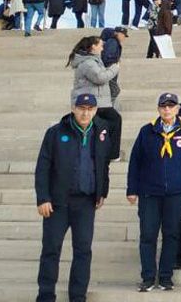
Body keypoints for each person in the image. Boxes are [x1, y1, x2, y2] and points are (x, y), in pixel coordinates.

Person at [34, 93, 111, 302]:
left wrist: (102, 191)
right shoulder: (55, 133)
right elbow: (43, 167)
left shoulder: (101, 132)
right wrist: (43, 198)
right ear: (73, 109)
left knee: (83, 251)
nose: (85, 113)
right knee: (51, 249)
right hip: (57, 203)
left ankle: (77, 296)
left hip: (85, 202)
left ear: (95, 111)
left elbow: (103, 164)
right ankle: (45, 295)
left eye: (90, 109)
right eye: (81, 109)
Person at [126, 92, 181, 292]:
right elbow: (135, 162)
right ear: (158, 109)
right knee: (148, 235)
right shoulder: (147, 131)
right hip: (150, 192)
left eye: (171, 106)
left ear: (178, 108)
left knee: (172, 234)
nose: (167, 110)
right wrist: (132, 189)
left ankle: (166, 277)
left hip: (176, 192)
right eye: (163, 106)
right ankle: (148, 277)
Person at [68, 36, 121, 161]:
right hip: (93, 102)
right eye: (100, 45)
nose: (102, 48)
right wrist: (115, 68)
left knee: (104, 124)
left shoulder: (93, 61)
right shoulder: (88, 63)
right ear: (93, 47)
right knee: (114, 119)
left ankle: (103, 151)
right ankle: (112, 154)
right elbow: (100, 78)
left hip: (97, 100)